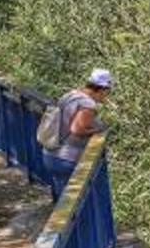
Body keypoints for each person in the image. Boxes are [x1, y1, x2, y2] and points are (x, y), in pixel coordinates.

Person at [44, 69, 111, 200]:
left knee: (62, 200)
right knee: (74, 204)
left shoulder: (71, 95)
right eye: (108, 92)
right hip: (66, 158)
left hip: (51, 154)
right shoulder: (88, 104)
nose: (106, 96)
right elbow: (77, 129)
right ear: (102, 89)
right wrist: (99, 130)